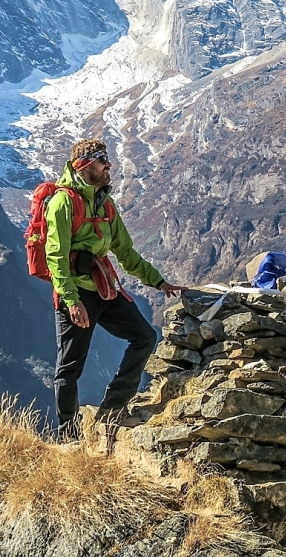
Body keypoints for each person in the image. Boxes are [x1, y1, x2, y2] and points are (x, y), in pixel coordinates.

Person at [46, 138, 181, 436]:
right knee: (70, 366)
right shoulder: (63, 203)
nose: (108, 166)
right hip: (78, 293)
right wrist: (71, 300)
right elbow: (55, 256)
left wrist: (158, 280)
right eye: (101, 161)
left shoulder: (105, 204)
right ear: (84, 166)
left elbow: (126, 252)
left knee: (145, 336)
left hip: (103, 289)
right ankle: (68, 433)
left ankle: (112, 409)